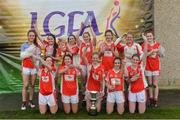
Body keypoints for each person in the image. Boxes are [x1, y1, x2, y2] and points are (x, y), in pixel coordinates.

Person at [125, 34, 148, 114]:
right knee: (131, 112)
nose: (135, 61)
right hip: (132, 90)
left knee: (141, 112)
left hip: (141, 90)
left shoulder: (141, 66)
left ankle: (141, 102)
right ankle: (132, 102)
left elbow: (145, 54)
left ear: (138, 61)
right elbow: (127, 81)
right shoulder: (128, 68)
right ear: (131, 60)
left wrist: (145, 41)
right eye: (133, 60)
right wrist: (131, 80)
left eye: (136, 60)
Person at [82, 45, 105, 112]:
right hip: (89, 87)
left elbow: (102, 80)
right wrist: (86, 48)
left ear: (98, 59)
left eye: (96, 58)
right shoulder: (89, 66)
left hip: (98, 88)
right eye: (93, 58)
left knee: (97, 110)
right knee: (88, 107)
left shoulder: (102, 67)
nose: (95, 59)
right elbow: (83, 56)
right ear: (91, 58)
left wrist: (102, 90)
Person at [142, 30, 161, 107]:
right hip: (148, 66)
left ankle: (155, 100)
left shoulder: (158, 44)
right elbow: (144, 55)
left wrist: (160, 66)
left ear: (153, 36)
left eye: (150, 36)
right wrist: (152, 51)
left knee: (155, 84)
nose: (149, 37)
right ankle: (151, 99)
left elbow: (160, 56)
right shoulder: (144, 44)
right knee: (150, 84)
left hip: (156, 66)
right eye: (147, 36)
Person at [20, 30, 38, 110]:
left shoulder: (36, 45)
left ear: (34, 37)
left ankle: (30, 100)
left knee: (33, 84)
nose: (31, 37)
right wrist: (22, 69)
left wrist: (35, 62)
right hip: (26, 67)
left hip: (33, 68)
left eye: (33, 36)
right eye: (30, 35)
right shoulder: (24, 45)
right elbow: (22, 57)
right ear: (28, 36)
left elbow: (37, 58)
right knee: (26, 85)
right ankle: (24, 102)